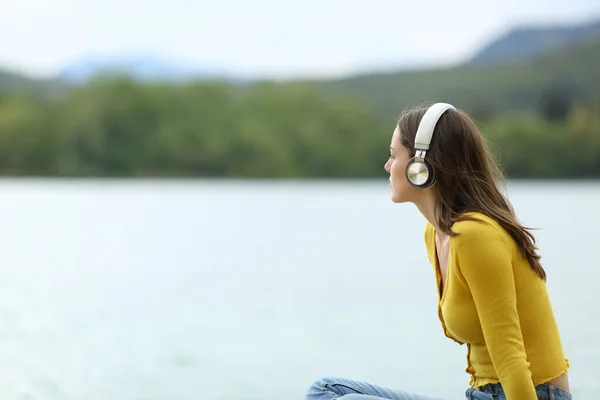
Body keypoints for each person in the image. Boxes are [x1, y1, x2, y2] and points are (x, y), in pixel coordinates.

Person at [305, 103, 571, 400]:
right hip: (484, 393)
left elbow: (509, 352)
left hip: (527, 394)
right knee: (326, 391)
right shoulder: (436, 233)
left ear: (420, 168)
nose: (387, 166)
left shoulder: (475, 235)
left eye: (393, 156)